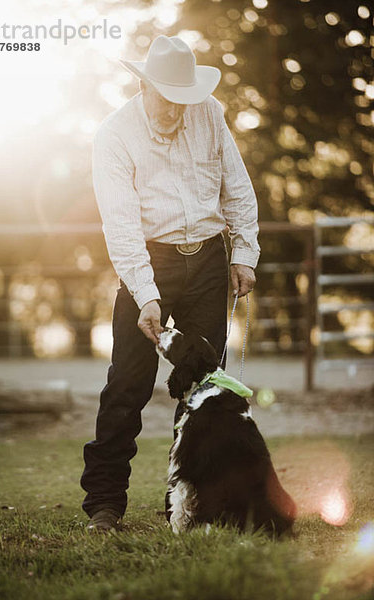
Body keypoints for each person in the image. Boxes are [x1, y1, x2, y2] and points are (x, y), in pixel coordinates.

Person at [80, 35, 260, 533]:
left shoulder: (210, 112)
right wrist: (146, 293)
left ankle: (194, 502)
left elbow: (237, 187)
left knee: (206, 387)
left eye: (185, 100)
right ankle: (105, 503)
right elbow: (120, 225)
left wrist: (244, 254)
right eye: (167, 99)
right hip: (147, 260)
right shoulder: (114, 134)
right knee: (127, 386)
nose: (177, 111)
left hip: (207, 258)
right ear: (144, 86)